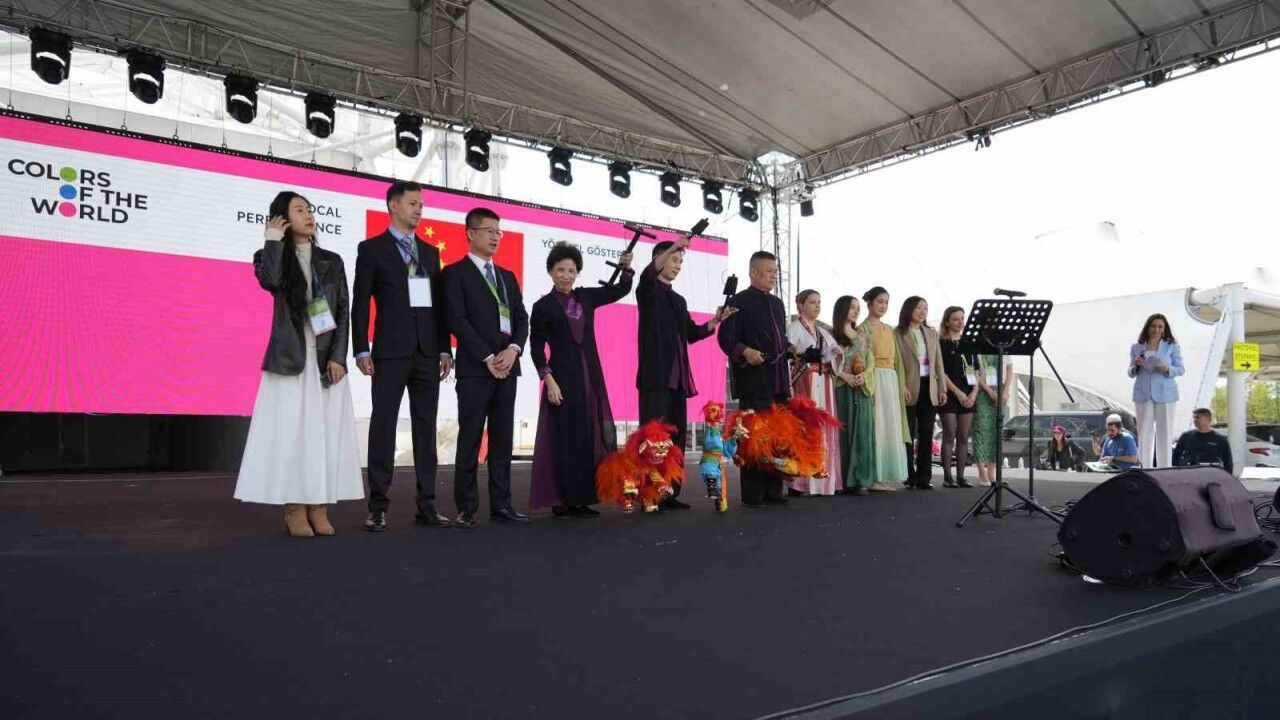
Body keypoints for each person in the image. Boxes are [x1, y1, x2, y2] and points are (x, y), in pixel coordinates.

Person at [235, 191, 363, 536]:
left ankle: (318, 505)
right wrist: (272, 240)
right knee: (291, 435)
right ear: (284, 218)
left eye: (310, 210)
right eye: (299, 210)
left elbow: (343, 310)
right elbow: (271, 280)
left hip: (324, 360)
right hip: (290, 358)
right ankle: (293, 506)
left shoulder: (332, 260)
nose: (309, 215)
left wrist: (338, 357)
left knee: (323, 435)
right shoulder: (269, 255)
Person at [351, 180, 452, 532]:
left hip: (427, 353)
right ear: (393, 206)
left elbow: (438, 306)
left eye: (421, 204)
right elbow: (360, 302)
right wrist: (361, 348)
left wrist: (444, 347)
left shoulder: (429, 253)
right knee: (384, 426)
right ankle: (377, 506)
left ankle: (428, 506)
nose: (419, 209)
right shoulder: (372, 249)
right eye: (412, 203)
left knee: (426, 429)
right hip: (389, 353)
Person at [528, 242, 634, 517]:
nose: (566, 275)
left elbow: (620, 290)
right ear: (551, 271)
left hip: (590, 378)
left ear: (577, 273)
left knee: (588, 436)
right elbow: (536, 349)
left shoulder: (586, 297)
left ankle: (582, 498)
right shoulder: (543, 306)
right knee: (565, 437)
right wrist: (549, 381)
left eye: (571, 271)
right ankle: (562, 500)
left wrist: (626, 267)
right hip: (562, 380)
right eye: (560, 270)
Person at [441, 207, 530, 528]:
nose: (495, 237)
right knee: (470, 438)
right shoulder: (455, 273)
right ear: (471, 233)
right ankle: (466, 507)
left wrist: (513, 350)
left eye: (498, 232)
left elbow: (521, 318)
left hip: (508, 367)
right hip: (476, 369)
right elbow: (456, 319)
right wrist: (487, 357)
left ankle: (502, 505)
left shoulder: (507, 276)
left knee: (503, 439)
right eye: (489, 231)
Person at [636, 234, 733, 510]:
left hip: (678, 379)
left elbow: (692, 333)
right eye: (674, 259)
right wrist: (674, 245)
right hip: (655, 377)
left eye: (680, 261)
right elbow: (647, 274)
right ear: (660, 260)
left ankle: (670, 492)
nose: (678, 265)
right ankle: (650, 495)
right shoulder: (648, 290)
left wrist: (716, 320)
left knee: (675, 437)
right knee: (653, 437)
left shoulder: (679, 300)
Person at [717, 251, 791, 507]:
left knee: (777, 435)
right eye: (769, 271)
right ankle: (753, 493)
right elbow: (726, 338)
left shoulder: (777, 304)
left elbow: (779, 338)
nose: (774, 276)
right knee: (754, 436)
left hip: (778, 380)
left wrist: (791, 348)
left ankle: (774, 490)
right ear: (753, 272)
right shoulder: (738, 301)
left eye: (775, 271)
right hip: (753, 380)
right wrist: (746, 352)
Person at [786, 289, 842, 496]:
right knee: (805, 426)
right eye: (812, 302)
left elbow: (832, 354)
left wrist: (836, 353)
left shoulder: (823, 332)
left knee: (823, 425)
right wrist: (803, 355)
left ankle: (823, 478)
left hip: (823, 379)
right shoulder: (793, 329)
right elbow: (789, 355)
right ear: (800, 305)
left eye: (819, 302)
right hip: (805, 380)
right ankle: (799, 481)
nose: (817, 306)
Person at [857, 287, 909, 491]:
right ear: (869, 303)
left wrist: (902, 385)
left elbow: (898, 361)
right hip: (875, 377)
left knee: (890, 426)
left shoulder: (890, 329)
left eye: (886, 302)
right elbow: (862, 359)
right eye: (880, 302)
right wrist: (869, 385)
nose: (883, 306)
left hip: (891, 378)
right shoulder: (862, 329)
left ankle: (886, 473)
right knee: (876, 426)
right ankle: (874, 476)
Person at [895, 296, 948, 489]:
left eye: (925, 308)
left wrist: (942, 388)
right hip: (909, 386)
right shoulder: (898, 333)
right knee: (908, 434)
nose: (922, 312)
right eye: (918, 308)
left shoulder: (931, 333)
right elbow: (896, 363)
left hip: (929, 386)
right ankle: (909, 476)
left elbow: (939, 363)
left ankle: (924, 477)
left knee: (926, 433)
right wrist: (902, 385)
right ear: (908, 309)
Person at [831, 295, 877, 495]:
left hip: (861, 388)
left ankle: (861, 480)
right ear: (842, 309)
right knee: (843, 432)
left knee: (862, 432)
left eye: (858, 308)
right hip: (842, 388)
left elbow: (871, 362)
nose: (856, 311)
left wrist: (863, 376)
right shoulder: (831, 336)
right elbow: (827, 362)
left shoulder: (863, 336)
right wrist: (844, 375)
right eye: (852, 307)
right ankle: (843, 480)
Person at [1128, 313, 1184, 468]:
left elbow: (1180, 369)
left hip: (1166, 394)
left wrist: (1167, 368)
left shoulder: (1172, 346)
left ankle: (1164, 469)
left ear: (1164, 329)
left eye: (1160, 327)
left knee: (1164, 433)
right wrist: (1136, 365)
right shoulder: (1136, 347)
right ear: (1148, 327)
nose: (1156, 329)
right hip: (1143, 394)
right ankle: (1145, 469)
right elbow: (1130, 372)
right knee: (1144, 433)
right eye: (1153, 326)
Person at [937, 306, 976, 488]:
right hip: (950, 394)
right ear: (947, 322)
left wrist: (973, 393)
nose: (960, 322)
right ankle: (948, 477)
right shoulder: (941, 343)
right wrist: (958, 393)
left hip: (968, 393)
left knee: (963, 437)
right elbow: (941, 372)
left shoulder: (968, 343)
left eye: (962, 318)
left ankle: (961, 476)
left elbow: (975, 370)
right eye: (955, 319)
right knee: (949, 435)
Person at [971, 354, 1012, 485]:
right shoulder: (978, 347)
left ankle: (991, 472)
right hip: (982, 392)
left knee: (996, 432)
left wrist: (1005, 391)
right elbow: (975, 372)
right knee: (980, 432)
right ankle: (982, 473)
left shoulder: (1003, 345)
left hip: (1001, 391)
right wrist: (990, 392)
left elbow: (1009, 369)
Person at [1172, 408, 1233, 474]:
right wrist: (1177, 473)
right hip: (1190, 474)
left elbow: (1228, 462)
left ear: (1208, 418)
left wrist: (1227, 478)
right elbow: (1176, 456)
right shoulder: (1186, 436)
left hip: (1211, 474)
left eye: (1197, 417)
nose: (1195, 420)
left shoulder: (1220, 439)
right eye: (1194, 418)